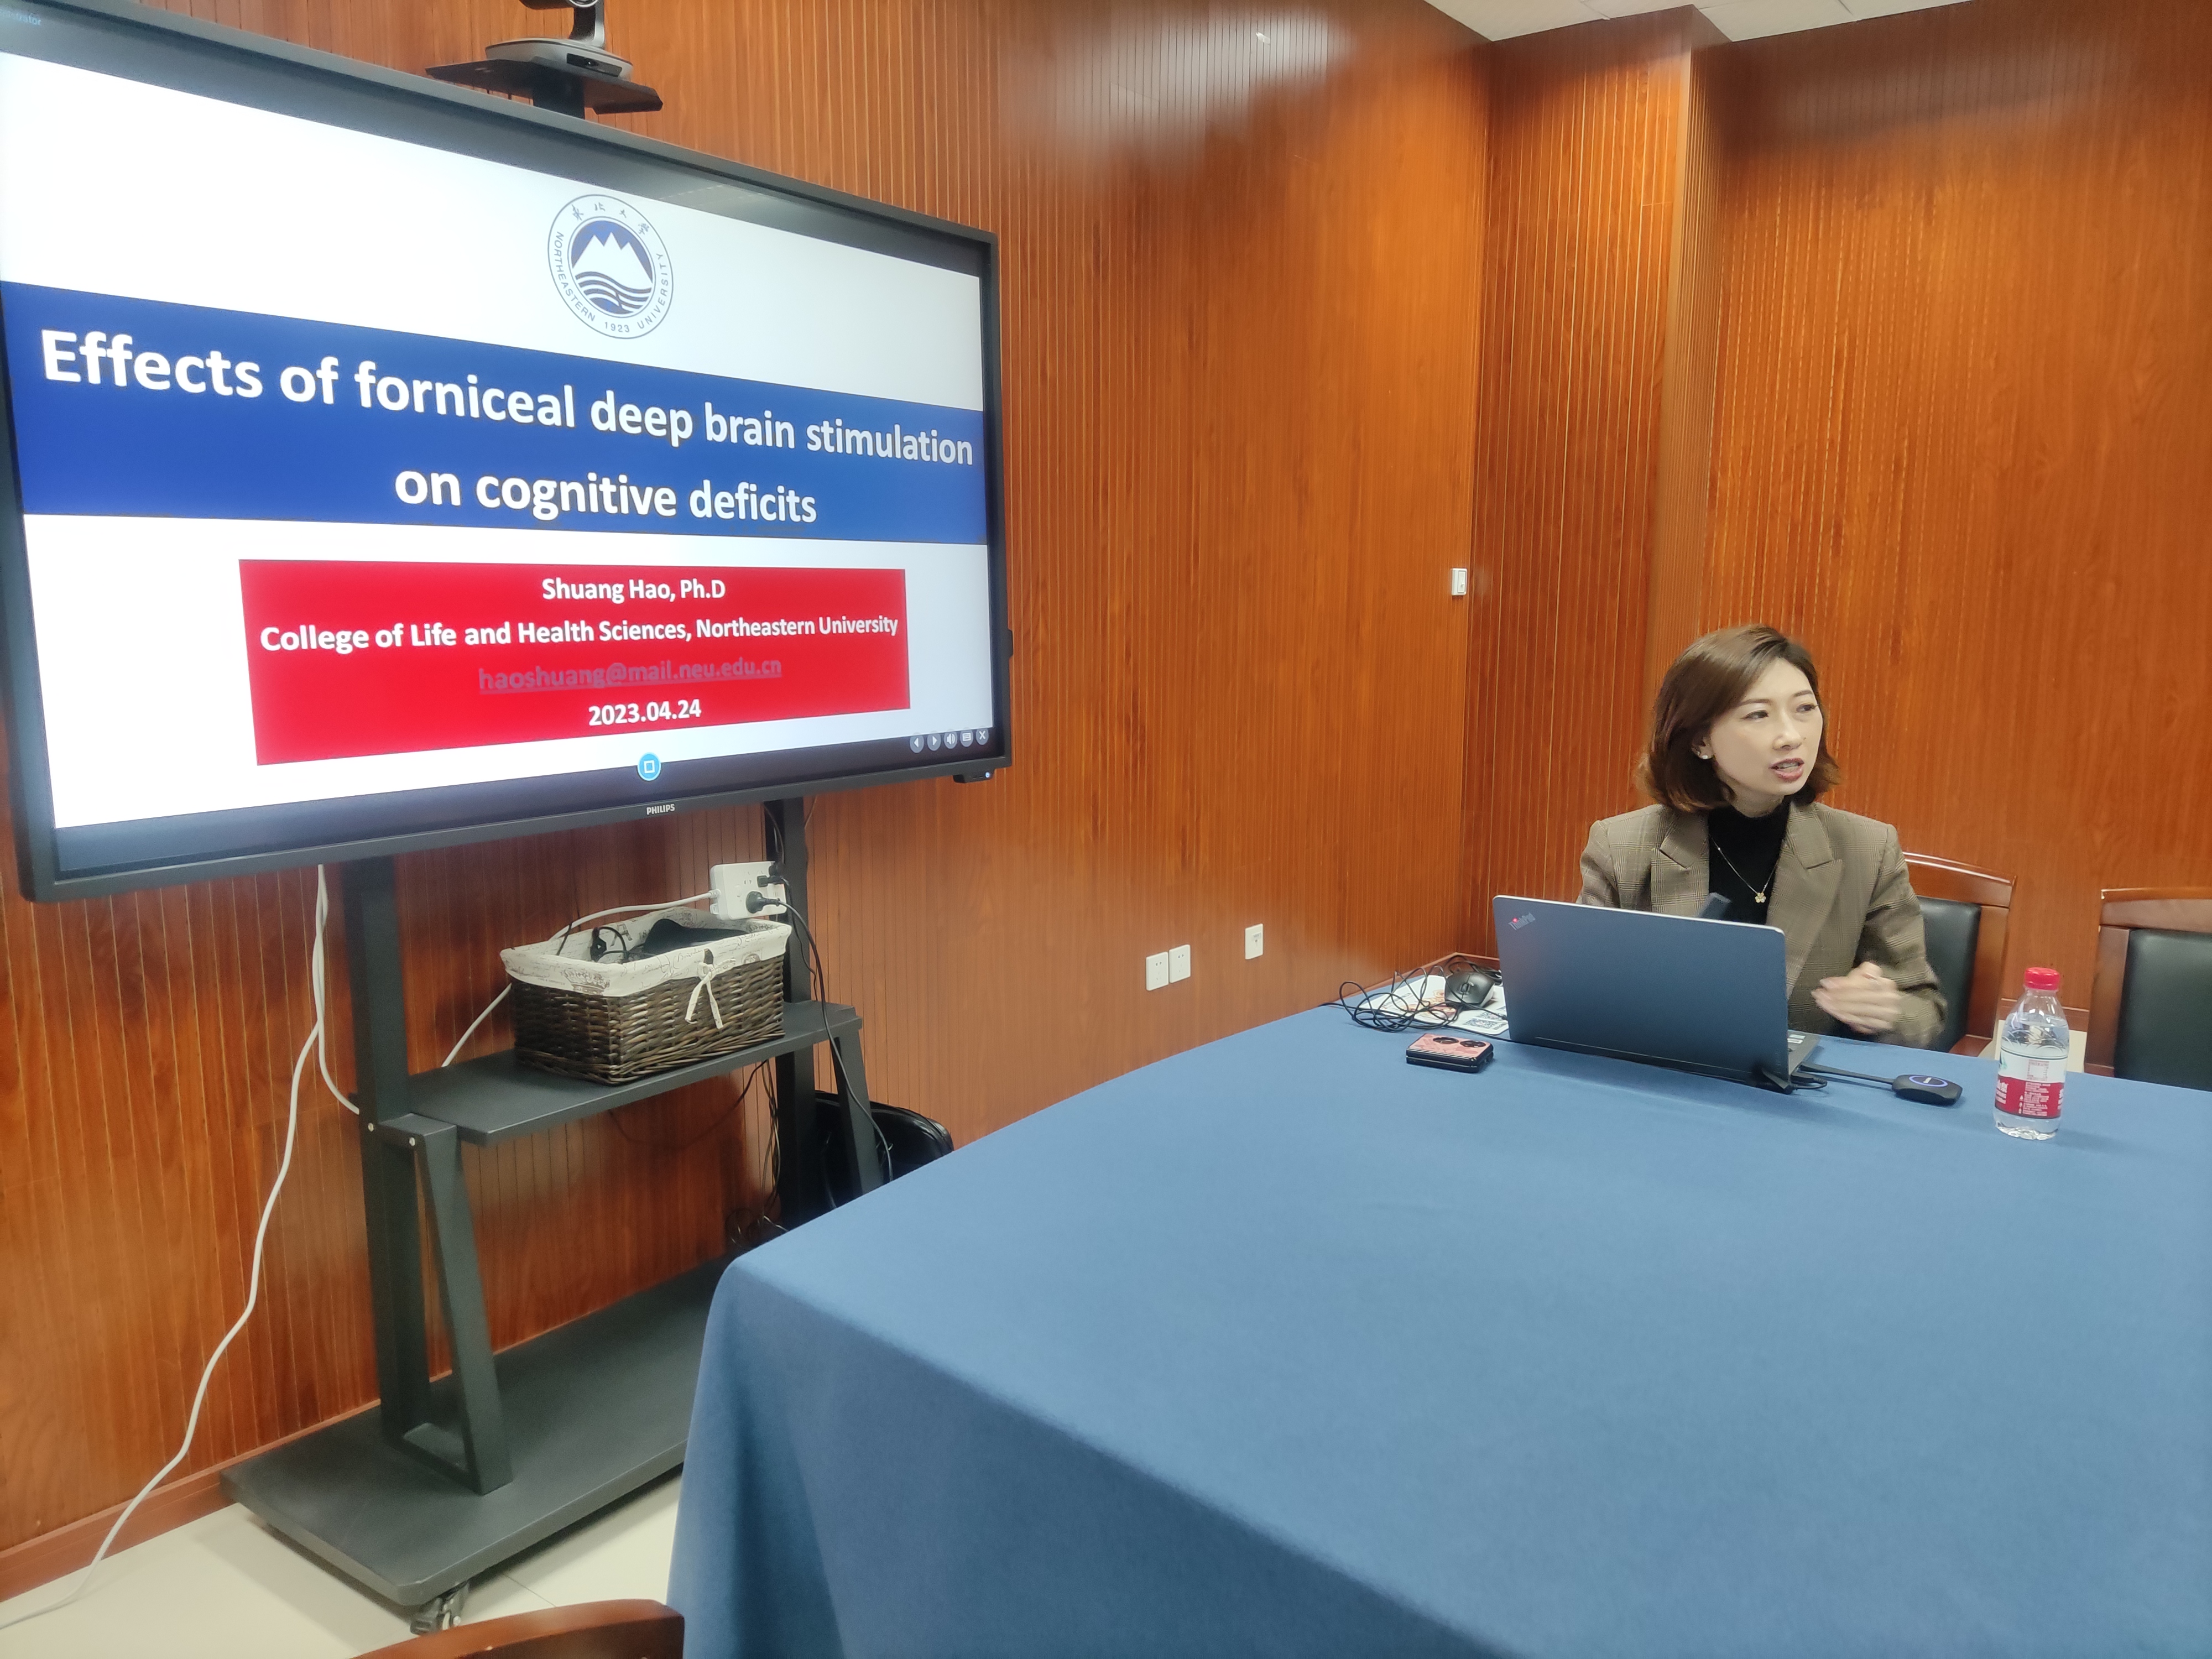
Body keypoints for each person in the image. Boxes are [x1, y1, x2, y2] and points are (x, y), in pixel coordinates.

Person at [1577, 624, 1944, 1047]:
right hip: (1665, 1073)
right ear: (1701, 740)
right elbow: (1579, 994)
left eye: (1804, 709)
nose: (1792, 736)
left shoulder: (1868, 849)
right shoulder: (1622, 847)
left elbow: (1924, 1010)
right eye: (1758, 715)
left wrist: (1887, 1010)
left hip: (1798, 1083)